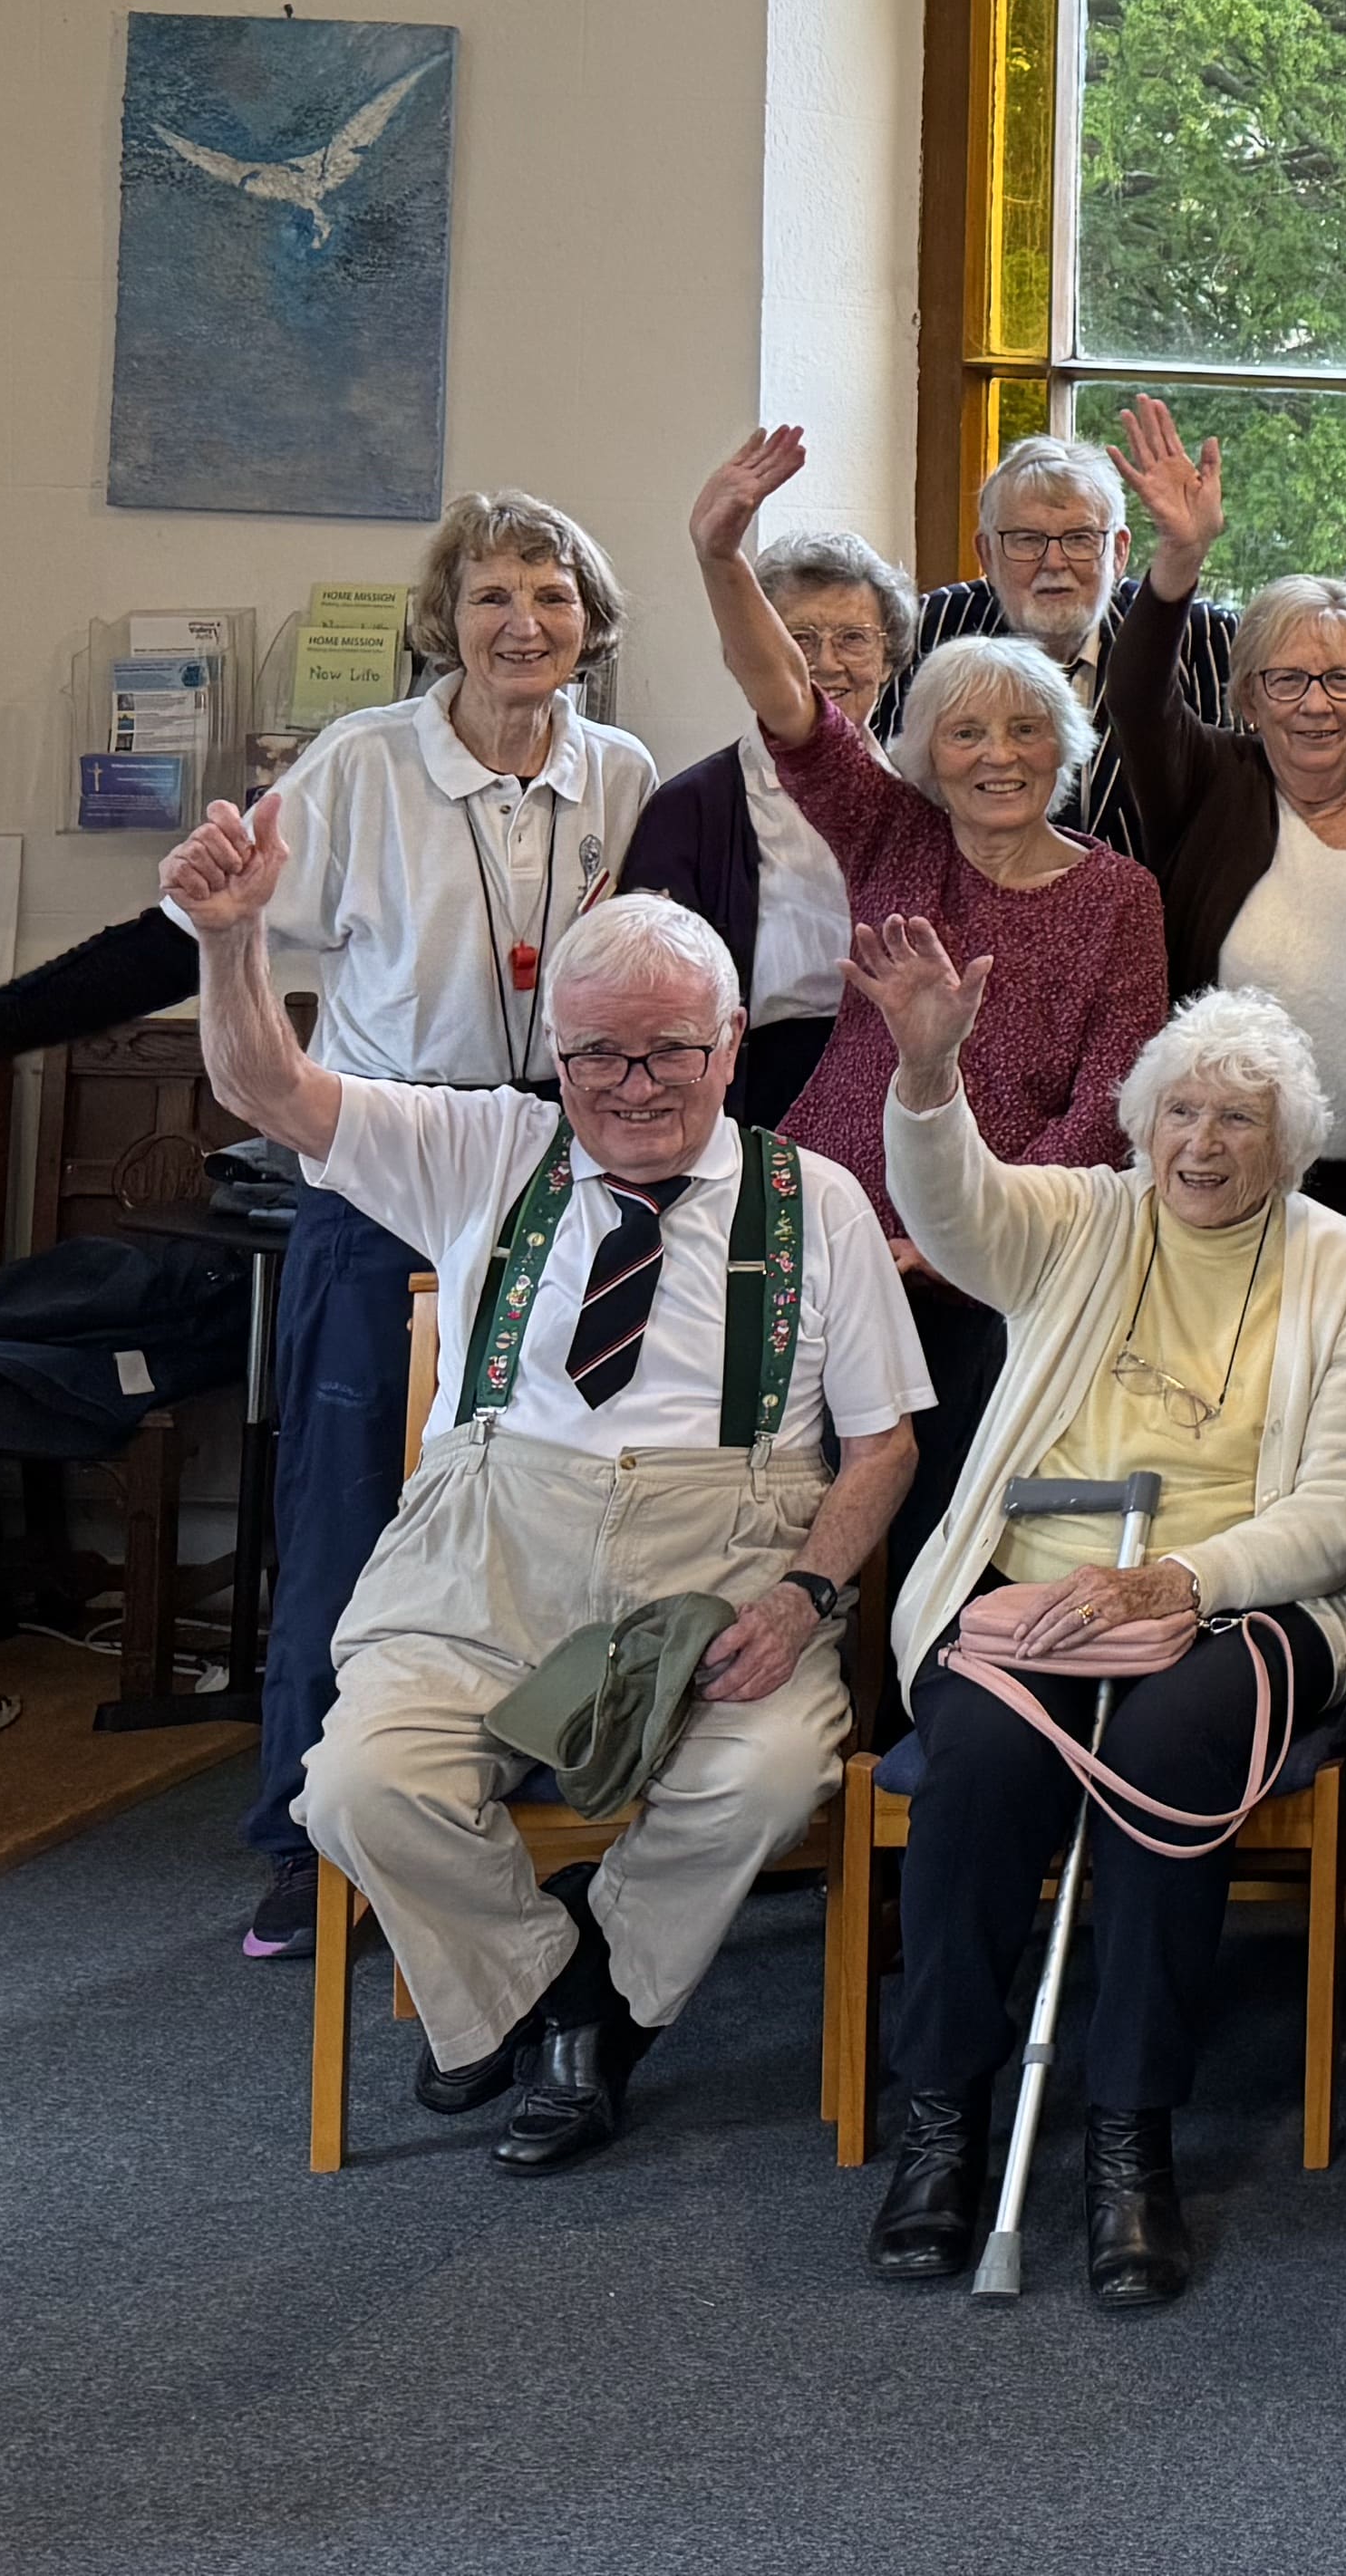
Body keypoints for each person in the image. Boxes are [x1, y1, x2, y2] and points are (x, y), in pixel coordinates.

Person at [175, 830, 920, 2165]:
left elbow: (881, 1450)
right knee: (353, 1786)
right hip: (488, 1567)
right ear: (555, 1053)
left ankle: (577, 2008)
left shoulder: (826, 1205)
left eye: (672, 1052)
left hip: (723, 1571)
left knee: (764, 1780)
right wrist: (233, 939)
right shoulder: (480, 1148)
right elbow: (263, 1089)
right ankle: (565, 1997)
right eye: (597, 1057)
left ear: (733, 1039)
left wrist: (807, 1593)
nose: (634, 1089)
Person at [852, 933, 1346, 2307]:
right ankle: (940, 2114)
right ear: (1141, 1121)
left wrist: (1186, 1582)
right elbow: (954, 1202)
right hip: (1037, 1586)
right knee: (976, 1768)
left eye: (1240, 1119)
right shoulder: (1080, 1220)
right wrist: (929, 1071)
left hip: (1243, 1601)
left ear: (1290, 1145)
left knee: (1171, 1756)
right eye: (1182, 1111)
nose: (1203, 1143)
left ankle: (1128, 2132)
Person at [170, 487, 669, 1960]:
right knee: (349, 1509)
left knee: (541, 1515)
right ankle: (304, 1838)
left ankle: (500, 1814)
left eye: (553, 595)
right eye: (494, 594)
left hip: (558, 1155)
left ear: (592, 622)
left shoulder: (624, 770)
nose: (525, 622)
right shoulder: (362, 760)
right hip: (387, 1151)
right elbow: (257, 927)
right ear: (442, 619)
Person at [687, 427, 1167, 1247]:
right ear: (925, 755)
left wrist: (970, 1239)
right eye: (965, 733)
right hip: (826, 1227)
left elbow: (1110, 1105)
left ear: (1065, 747)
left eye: (1025, 729)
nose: (999, 755)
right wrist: (720, 556)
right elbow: (787, 696)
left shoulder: (1120, 896)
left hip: (1006, 1258)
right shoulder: (892, 833)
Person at [1098, 402, 1346, 1229]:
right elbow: (1133, 695)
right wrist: (1180, 557)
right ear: (1247, 696)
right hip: (1209, 1186)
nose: (1317, 706)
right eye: (1288, 680)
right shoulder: (1206, 786)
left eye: (1342, 681)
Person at [622, 516, 918, 1124]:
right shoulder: (689, 810)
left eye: (854, 639)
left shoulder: (926, 799)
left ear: (888, 657)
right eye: (797, 640)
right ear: (755, 656)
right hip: (752, 1086)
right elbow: (649, 988)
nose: (826, 664)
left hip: (902, 1077)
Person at [886, 433, 1235, 861]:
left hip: (1156, 916)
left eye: (1081, 538)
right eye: (1026, 539)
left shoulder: (1202, 638)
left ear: (1119, 551)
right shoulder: (924, 631)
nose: (1053, 562)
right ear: (987, 553)